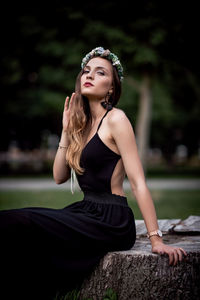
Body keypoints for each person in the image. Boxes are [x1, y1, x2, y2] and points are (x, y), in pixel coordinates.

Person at [0, 47, 187, 299]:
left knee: (22, 221)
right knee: (22, 228)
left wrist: (156, 240)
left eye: (100, 73)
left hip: (112, 219)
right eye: (86, 71)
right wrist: (66, 130)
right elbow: (58, 176)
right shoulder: (82, 126)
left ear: (111, 87)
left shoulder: (116, 120)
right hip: (86, 211)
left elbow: (139, 183)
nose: (89, 75)